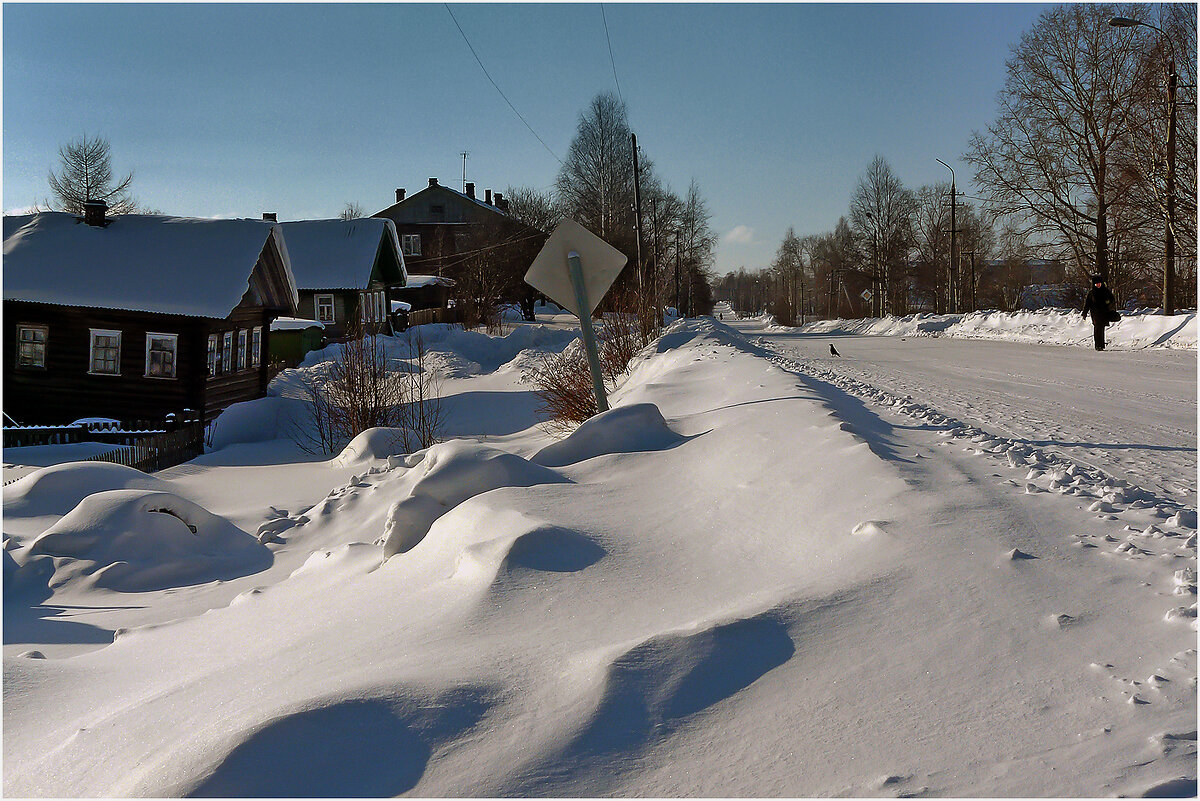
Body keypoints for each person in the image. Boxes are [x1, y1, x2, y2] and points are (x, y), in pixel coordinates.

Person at [1081, 274, 1116, 351]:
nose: (1098, 285)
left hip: (1104, 313)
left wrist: (1108, 303)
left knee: (1101, 328)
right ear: (1094, 284)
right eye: (1096, 284)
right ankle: (1097, 345)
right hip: (1095, 314)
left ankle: (1101, 344)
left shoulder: (1106, 291)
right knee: (1097, 328)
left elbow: (1112, 300)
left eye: (1099, 283)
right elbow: (1087, 304)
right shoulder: (1091, 293)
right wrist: (1084, 313)